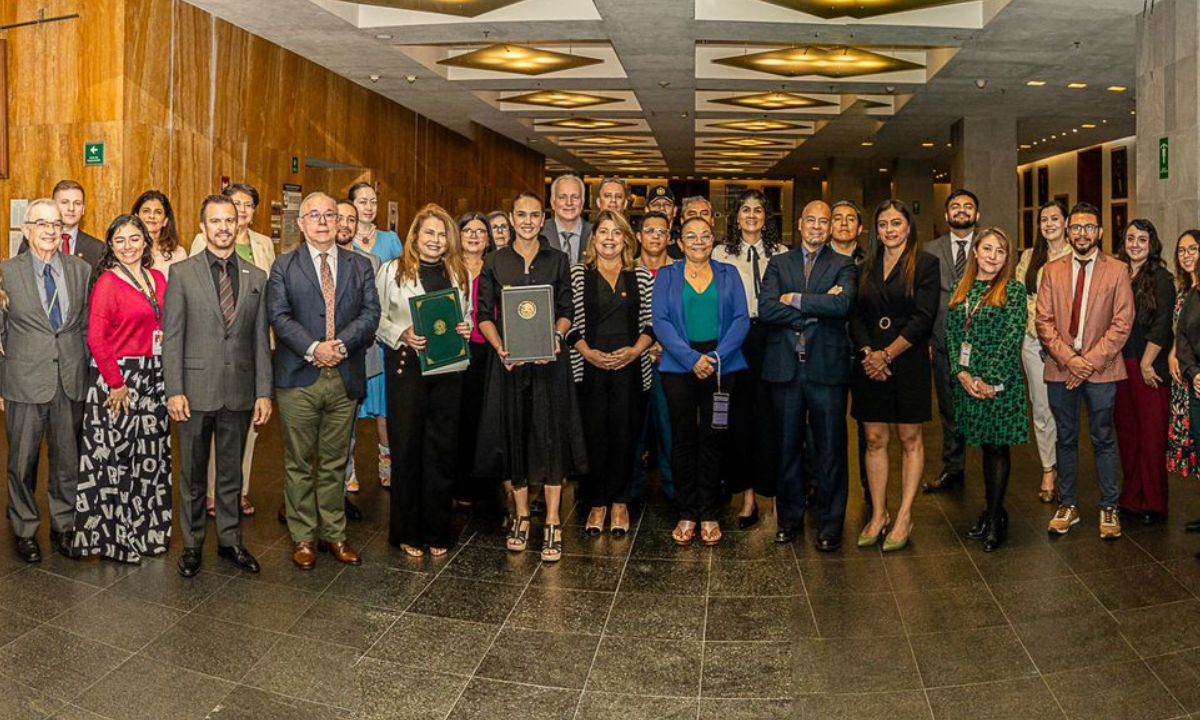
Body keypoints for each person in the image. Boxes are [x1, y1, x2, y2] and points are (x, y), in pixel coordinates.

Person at [268, 192, 380, 569]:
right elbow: (279, 316)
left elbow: (370, 313)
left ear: (340, 222)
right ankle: (302, 537)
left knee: (335, 463)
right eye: (313, 215)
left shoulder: (360, 266)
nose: (322, 221)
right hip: (298, 377)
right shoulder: (284, 266)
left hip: (344, 375)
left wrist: (341, 346)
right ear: (301, 223)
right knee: (299, 463)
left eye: (329, 215)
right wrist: (315, 347)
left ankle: (334, 534)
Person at [473, 192, 587, 562]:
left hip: (550, 365)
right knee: (515, 434)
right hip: (508, 365)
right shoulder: (495, 261)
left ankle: (553, 519)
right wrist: (500, 347)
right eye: (520, 214)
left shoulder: (558, 260)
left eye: (534, 215)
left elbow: (567, 308)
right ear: (510, 217)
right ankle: (521, 515)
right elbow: (484, 314)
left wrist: (555, 336)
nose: (527, 221)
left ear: (543, 219)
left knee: (551, 436)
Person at [164, 195, 272, 577]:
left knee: (231, 474)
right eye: (215, 221)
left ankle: (230, 541)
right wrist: (173, 388)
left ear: (238, 224)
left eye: (230, 220)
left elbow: (261, 340)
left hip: (239, 392)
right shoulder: (182, 273)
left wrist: (263, 392)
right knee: (193, 475)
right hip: (193, 391)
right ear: (203, 227)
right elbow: (172, 337)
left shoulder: (256, 277)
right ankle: (192, 544)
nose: (224, 227)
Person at [759, 200, 857, 551]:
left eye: (824, 222)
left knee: (830, 451)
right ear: (800, 224)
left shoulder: (844, 264)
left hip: (826, 370)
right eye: (811, 220)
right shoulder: (778, 262)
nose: (817, 226)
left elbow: (842, 305)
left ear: (830, 228)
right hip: (785, 369)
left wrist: (796, 298)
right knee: (787, 448)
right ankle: (789, 520)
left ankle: (830, 526)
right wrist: (815, 307)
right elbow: (766, 307)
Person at [74, 215, 172, 563]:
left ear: (146, 242)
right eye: (120, 240)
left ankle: (148, 533)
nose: (128, 246)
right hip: (119, 379)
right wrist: (116, 383)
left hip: (155, 380)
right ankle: (116, 540)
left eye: (134, 239)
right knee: (117, 462)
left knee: (151, 460)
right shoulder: (108, 283)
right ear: (111, 247)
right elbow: (96, 338)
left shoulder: (159, 279)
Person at [376, 204, 472, 557]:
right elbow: (377, 317)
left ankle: (437, 531)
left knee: (441, 453)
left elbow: (467, 316)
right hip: (408, 370)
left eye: (442, 233)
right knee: (408, 450)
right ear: (415, 236)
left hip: (448, 371)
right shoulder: (393, 271)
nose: (435, 240)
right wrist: (402, 333)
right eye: (429, 233)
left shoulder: (460, 273)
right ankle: (407, 531)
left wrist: (467, 328)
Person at [1036, 202, 1134, 540]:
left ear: (1100, 232)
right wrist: (1070, 360)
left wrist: (1087, 362)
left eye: (1089, 227)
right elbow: (1043, 322)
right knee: (1065, 437)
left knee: (1103, 438)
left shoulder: (1118, 270)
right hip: (1061, 368)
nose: (1082, 233)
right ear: (1068, 231)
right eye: (1076, 227)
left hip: (1103, 371)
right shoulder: (1052, 270)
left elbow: (1122, 323)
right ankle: (1069, 504)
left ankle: (1109, 505)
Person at [0, 200, 91, 562]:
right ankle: (24, 529)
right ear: (27, 229)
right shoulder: (7, 272)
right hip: (24, 382)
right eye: (42, 224)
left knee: (68, 460)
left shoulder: (80, 270)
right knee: (22, 462)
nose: (51, 230)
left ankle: (64, 525)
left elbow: (84, 326)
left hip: (69, 379)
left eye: (56, 224)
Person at [849, 200, 940, 552]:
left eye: (896, 223)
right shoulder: (864, 267)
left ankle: (904, 515)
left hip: (908, 359)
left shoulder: (926, 264)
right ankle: (879, 513)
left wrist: (887, 354)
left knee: (909, 438)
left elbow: (923, 317)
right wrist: (869, 354)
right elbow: (855, 316)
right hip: (870, 360)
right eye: (883, 224)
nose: (889, 229)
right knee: (873, 438)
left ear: (908, 227)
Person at [654, 216, 749, 547]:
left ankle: (709, 513)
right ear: (679, 243)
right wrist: (692, 359)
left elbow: (740, 319)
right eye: (690, 236)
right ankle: (687, 512)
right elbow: (661, 321)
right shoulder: (666, 276)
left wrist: (716, 358)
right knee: (682, 439)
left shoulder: (729, 274)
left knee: (714, 437)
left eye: (705, 236)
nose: (698, 241)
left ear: (713, 241)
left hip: (722, 367)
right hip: (679, 366)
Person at [191, 182, 277, 518]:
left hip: (252, 345)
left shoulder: (264, 245)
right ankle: (214, 492)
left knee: (249, 426)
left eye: (248, 205)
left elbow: (268, 294)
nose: (242, 210)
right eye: (235, 204)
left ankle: (239, 490)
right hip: (212, 351)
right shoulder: (204, 241)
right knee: (214, 423)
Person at [568, 210, 655, 535]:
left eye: (616, 233)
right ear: (594, 239)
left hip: (630, 368)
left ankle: (619, 503)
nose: (609, 238)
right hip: (589, 367)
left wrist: (635, 351)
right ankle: (597, 503)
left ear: (626, 240)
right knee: (593, 438)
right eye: (603, 232)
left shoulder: (642, 276)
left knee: (624, 436)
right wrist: (587, 353)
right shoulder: (579, 274)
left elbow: (651, 323)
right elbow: (568, 322)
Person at [947, 228, 1029, 552]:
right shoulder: (960, 289)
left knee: (998, 448)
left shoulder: (1014, 290)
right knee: (982, 446)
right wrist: (962, 373)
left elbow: (1012, 339)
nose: (994, 256)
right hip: (969, 384)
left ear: (1007, 258)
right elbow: (953, 336)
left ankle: (994, 519)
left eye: (1001, 251)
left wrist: (988, 380)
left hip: (1000, 386)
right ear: (976, 252)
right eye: (988, 249)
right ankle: (994, 510)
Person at [717, 189, 783, 528]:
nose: (752, 215)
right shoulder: (719, 254)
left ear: (766, 217)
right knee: (739, 418)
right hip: (734, 341)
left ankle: (772, 493)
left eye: (759, 210)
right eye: (745, 209)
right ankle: (746, 496)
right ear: (736, 216)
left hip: (772, 338)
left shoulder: (783, 254)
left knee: (770, 417)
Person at [1114, 219, 1175, 526]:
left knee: (1151, 439)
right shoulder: (1117, 273)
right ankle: (1131, 497)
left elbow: (1162, 325)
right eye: (1130, 238)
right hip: (1120, 365)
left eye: (1141, 239)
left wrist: (1148, 363)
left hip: (1149, 367)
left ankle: (1152, 502)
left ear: (1152, 244)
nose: (1135, 244)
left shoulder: (1162, 278)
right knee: (1128, 436)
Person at [1014, 200, 1071, 503]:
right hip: (1033, 342)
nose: (1049, 224)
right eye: (1043, 219)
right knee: (1041, 407)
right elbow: (1018, 297)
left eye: (1054, 218)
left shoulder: (1077, 255)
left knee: (1065, 408)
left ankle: (1068, 467)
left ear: (1065, 222)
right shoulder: (1028, 257)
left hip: (1066, 346)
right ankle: (1048, 468)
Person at [923, 189, 979, 493]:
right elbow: (925, 299)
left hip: (983, 345)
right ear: (946, 215)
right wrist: (928, 341)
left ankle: (991, 469)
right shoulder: (930, 249)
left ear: (977, 215)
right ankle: (953, 468)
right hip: (942, 341)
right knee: (949, 408)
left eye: (967, 207)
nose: (961, 211)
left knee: (984, 408)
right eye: (955, 207)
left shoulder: (989, 245)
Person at [348, 181, 403, 491]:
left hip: (385, 335)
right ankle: (348, 468)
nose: (368, 207)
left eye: (373, 201)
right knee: (351, 407)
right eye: (362, 201)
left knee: (385, 406)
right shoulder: (342, 240)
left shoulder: (391, 240)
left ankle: (387, 462)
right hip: (355, 336)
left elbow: (404, 279)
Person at [630, 211, 675, 503]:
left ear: (669, 238)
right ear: (638, 236)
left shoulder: (681, 270)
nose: (655, 236)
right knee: (633, 429)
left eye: (661, 231)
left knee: (670, 429)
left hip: (669, 363)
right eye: (649, 231)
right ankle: (629, 492)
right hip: (632, 362)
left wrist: (664, 347)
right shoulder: (625, 269)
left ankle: (675, 491)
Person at [829, 200, 869, 502]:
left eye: (850, 219)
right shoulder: (814, 261)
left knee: (869, 427)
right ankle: (820, 483)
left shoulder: (870, 264)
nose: (843, 224)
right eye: (837, 218)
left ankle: (870, 486)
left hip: (864, 353)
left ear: (860, 228)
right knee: (824, 425)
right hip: (825, 351)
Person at [456, 212, 494, 509]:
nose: (473, 235)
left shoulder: (495, 268)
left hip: (486, 351)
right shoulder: (447, 267)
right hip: (453, 351)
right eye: (467, 230)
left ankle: (480, 483)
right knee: (456, 419)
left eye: (480, 231)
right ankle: (456, 483)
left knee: (481, 418)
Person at [1169, 231, 1200, 499]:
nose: (1187, 255)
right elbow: (1179, 334)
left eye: (1193, 249)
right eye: (1181, 250)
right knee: (1195, 443)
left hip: (1196, 373)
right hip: (1185, 376)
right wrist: (1172, 354)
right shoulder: (1182, 290)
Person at [17, 181, 105, 267]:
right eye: (65, 202)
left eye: (77, 203)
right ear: (53, 206)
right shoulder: (33, 240)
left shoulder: (97, 248)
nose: (71, 208)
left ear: (83, 209)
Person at [132, 190, 187, 276]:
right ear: (136, 217)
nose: (152, 216)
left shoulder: (178, 253)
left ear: (165, 221)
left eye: (158, 212)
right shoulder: (127, 250)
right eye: (146, 211)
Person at [541, 174, 592, 264]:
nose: (569, 203)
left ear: (582, 202)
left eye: (575, 197)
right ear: (552, 203)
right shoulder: (539, 232)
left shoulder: (596, 233)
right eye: (562, 197)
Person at [647, 185, 683, 258]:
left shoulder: (683, 238)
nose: (662, 208)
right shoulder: (637, 240)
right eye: (655, 205)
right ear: (647, 210)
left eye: (667, 205)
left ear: (675, 211)